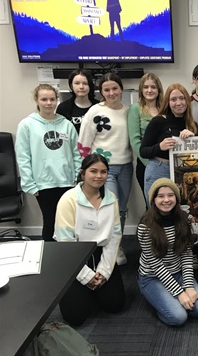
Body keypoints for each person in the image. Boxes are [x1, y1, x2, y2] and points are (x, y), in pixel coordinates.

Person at [54, 154, 125, 326]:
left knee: (115, 305)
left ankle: (95, 289)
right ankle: (87, 289)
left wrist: (104, 271)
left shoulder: (111, 199)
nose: (99, 176)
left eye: (103, 172)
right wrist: (86, 276)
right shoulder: (69, 199)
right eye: (93, 171)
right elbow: (65, 244)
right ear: (82, 173)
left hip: (101, 254)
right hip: (75, 256)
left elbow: (115, 237)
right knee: (75, 317)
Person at [78, 72, 132, 265]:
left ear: (121, 88)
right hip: (103, 169)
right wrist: (84, 171)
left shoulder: (129, 111)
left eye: (114, 88)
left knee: (122, 210)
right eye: (106, 89)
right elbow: (83, 143)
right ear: (101, 92)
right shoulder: (94, 112)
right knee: (111, 208)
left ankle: (117, 245)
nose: (111, 93)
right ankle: (109, 248)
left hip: (126, 166)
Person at [137, 178, 198, 326]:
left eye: (170, 195)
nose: (166, 200)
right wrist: (180, 293)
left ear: (176, 197)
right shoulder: (145, 226)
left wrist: (188, 285)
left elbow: (187, 254)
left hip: (178, 272)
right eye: (160, 196)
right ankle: (157, 301)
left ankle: (170, 299)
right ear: (153, 200)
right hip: (152, 276)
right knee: (178, 317)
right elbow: (156, 265)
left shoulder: (185, 219)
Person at [15, 84, 81, 241]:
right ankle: (49, 259)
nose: (49, 103)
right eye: (44, 99)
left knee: (71, 222)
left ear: (57, 100)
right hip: (43, 183)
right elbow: (23, 157)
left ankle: (71, 257)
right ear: (36, 100)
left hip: (67, 181)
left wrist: (77, 177)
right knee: (50, 221)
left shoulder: (66, 124)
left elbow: (76, 153)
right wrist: (29, 184)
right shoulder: (27, 125)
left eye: (52, 99)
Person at [140, 83, 197, 204]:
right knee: (156, 211)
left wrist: (193, 138)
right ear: (167, 102)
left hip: (183, 172)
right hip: (159, 170)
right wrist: (160, 146)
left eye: (182, 98)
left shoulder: (192, 125)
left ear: (187, 100)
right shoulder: (159, 121)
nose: (178, 103)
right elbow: (143, 151)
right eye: (173, 99)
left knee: (182, 211)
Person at [128, 73, 164, 205]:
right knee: (151, 206)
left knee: (167, 204)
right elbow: (135, 140)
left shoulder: (165, 109)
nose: (149, 90)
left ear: (158, 89)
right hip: (146, 165)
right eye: (146, 87)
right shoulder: (135, 109)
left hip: (165, 165)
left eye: (153, 87)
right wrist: (150, 165)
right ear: (141, 90)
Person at [56, 69, 99, 134]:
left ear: (90, 86)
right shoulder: (63, 108)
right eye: (77, 83)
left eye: (85, 83)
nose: (81, 87)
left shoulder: (99, 107)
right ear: (71, 86)